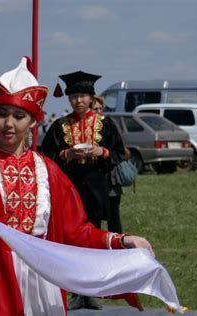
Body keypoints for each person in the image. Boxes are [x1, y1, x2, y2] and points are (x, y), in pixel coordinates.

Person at [0, 57, 152, 315]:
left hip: (44, 280)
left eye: (19, 116)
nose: (8, 124)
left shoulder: (49, 171)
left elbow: (76, 232)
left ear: (33, 122)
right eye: (1, 114)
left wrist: (122, 240)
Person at [41, 71, 126, 310]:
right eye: (74, 97)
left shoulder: (106, 125)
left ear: (91, 98)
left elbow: (120, 153)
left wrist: (103, 152)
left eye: (82, 96)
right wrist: (66, 154)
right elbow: (45, 155)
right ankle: (75, 291)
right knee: (70, 239)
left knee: (93, 236)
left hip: (97, 186)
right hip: (69, 188)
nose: (78, 101)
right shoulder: (59, 126)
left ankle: (91, 290)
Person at [90, 95, 125, 233]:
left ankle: (118, 248)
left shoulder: (109, 125)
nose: (98, 112)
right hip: (91, 182)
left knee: (114, 217)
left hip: (110, 178)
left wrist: (103, 152)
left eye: (100, 109)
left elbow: (119, 152)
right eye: (94, 109)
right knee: (93, 218)